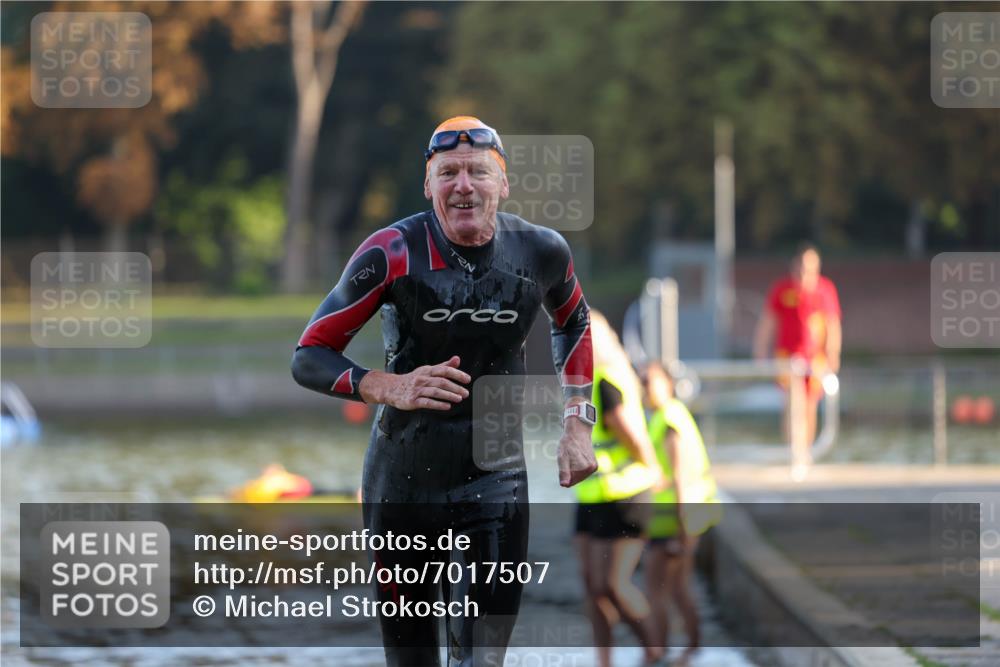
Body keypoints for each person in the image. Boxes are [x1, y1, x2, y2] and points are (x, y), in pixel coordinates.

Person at [291, 116, 597, 666]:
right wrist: (390, 386)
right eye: (448, 172)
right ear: (427, 185)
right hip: (402, 480)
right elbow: (309, 354)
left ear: (502, 184)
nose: (463, 185)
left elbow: (574, 322)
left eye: (477, 172)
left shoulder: (541, 252)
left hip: (497, 476)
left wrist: (578, 421)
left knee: (481, 660)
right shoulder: (392, 251)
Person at [574, 311, 665, 667]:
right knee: (593, 587)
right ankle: (604, 660)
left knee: (612, 584)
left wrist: (651, 465)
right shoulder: (584, 378)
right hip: (593, 496)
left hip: (626, 494)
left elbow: (626, 428)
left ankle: (653, 649)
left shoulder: (606, 377)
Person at [641, 362, 719, 665]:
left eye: (651, 381)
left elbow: (681, 476)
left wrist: (682, 530)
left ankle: (659, 651)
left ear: (668, 384)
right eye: (642, 381)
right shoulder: (669, 415)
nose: (645, 387)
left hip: (675, 519)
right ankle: (691, 649)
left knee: (657, 588)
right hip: (679, 516)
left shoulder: (670, 421)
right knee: (677, 588)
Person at [752, 243, 841, 477]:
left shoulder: (825, 290)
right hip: (788, 356)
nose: (804, 273)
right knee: (793, 403)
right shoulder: (782, 289)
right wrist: (761, 351)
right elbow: (768, 322)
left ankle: (805, 451)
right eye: (801, 267)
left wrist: (833, 354)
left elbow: (832, 324)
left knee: (810, 405)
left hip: (815, 358)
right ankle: (794, 450)